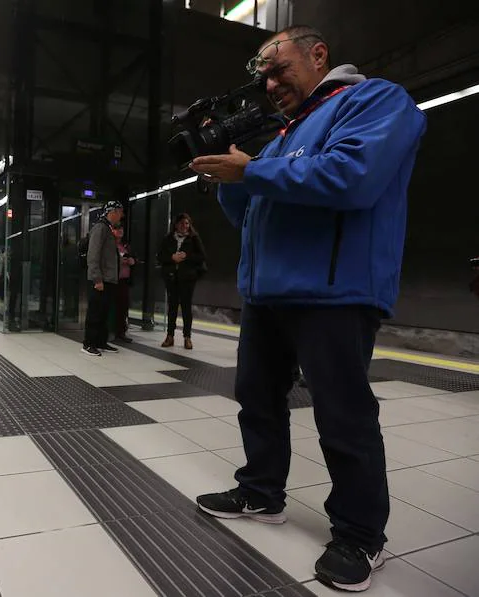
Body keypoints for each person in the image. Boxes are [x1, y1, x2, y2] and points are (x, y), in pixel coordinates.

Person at [190, 25, 427, 592]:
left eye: (280, 69)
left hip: (334, 291)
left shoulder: (374, 99)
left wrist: (252, 170)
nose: (270, 84)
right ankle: (261, 491)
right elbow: (251, 218)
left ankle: (361, 534)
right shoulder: (282, 134)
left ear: (319, 55)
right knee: (257, 397)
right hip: (269, 292)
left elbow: (353, 177)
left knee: (343, 414)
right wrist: (231, 175)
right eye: (264, 77)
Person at [157, 213, 206, 350]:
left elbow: (202, 256)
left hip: (188, 278)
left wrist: (187, 256)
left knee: (186, 307)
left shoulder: (194, 239)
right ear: (176, 224)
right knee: (172, 307)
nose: (184, 226)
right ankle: (170, 336)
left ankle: (187, 337)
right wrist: (172, 257)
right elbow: (160, 256)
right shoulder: (168, 239)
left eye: (187, 224)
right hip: (172, 277)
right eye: (181, 223)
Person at [82, 200, 124, 357]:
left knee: (104, 312)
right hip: (101, 279)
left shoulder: (107, 228)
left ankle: (100, 341)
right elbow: (93, 255)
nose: (121, 215)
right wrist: (97, 279)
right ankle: (89, 343)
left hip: (109, 279)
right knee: (95, 312)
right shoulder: (100, 228)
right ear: (112, 212)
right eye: (120, 212)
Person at [112, 224, 137, 342]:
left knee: (123, 306)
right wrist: (118, 261)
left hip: (124, 280)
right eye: (117, 229)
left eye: (121, 229)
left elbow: (134, 258)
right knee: (112, 306)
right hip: (112, 280)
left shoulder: (125, 245)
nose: (120, 231)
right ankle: (110, 331)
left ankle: (121, 332)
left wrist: (132, 261)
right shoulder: (109, 244)